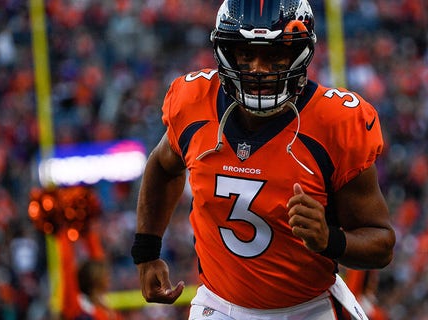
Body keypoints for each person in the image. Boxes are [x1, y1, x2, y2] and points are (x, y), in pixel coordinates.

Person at [131, 0, 396, 319]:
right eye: (246, 54)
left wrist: (330, 240)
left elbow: (381, 244)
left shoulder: (335, 123)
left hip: (308, 308)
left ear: (299, 53)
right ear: (226, 52)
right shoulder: (193, 104)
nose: (257, 68)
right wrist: (147, 251)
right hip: (219, 305)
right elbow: (162, 166)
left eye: (274, 54)